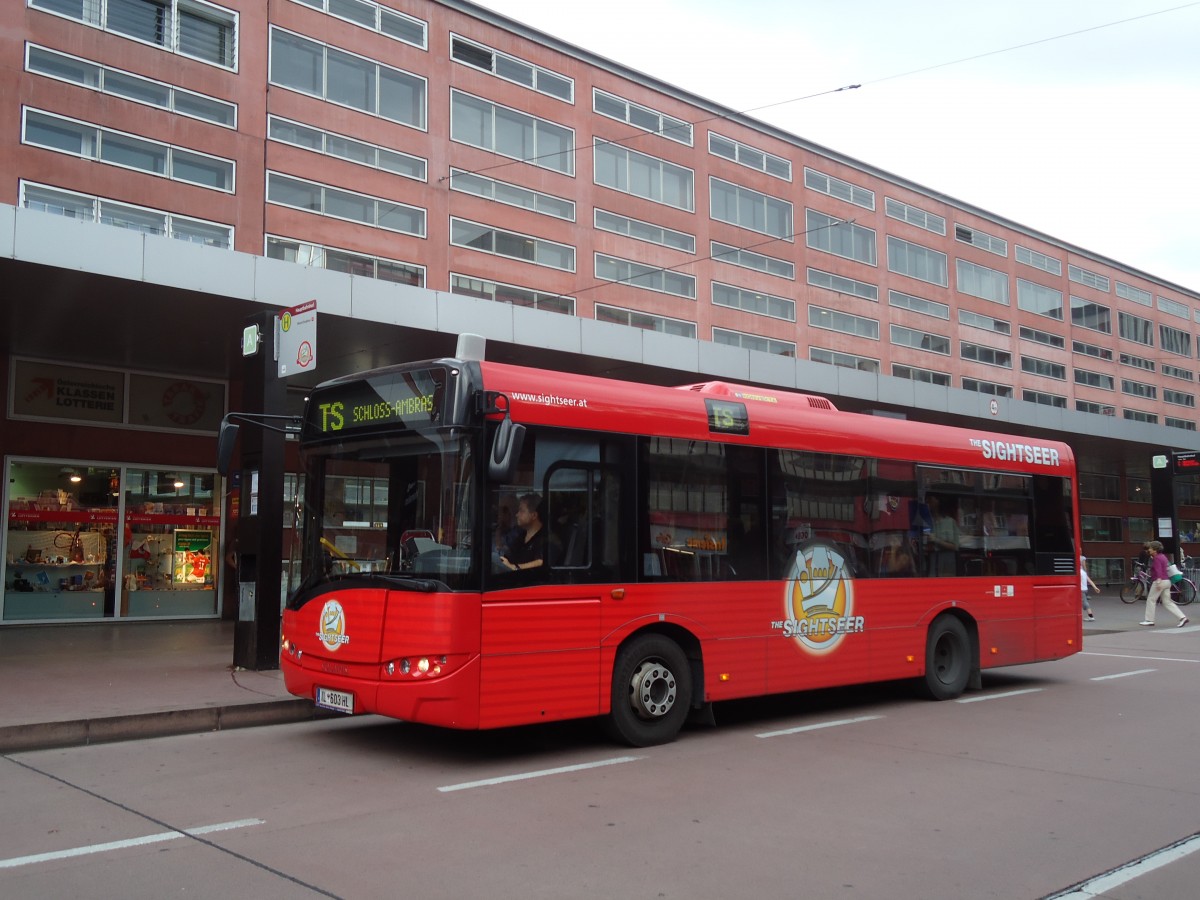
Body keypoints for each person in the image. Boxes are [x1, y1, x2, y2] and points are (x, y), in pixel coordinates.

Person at [499, 493, 553, 573]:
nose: (517, 515)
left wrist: (515, 568)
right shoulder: (521, 534)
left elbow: (541, 562)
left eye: (521, 511)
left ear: (534, 515)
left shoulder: (547, 538)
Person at [1140, 540, 1189, 628]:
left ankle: (1149, 620)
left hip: (1160, 581)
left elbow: (1159, 570)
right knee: (1167, 602)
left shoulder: (1157, 558)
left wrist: (1158, 581)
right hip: (1167, 581)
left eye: (1150, 548)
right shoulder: (1163, 556)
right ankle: (1182, 617)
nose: (1149, 550)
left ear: (1155, 549)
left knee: (1151, 600)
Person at [926, 494, 959, 576]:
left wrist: (936, 540)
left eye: (930, 499)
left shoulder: (950, 521)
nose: (927, 502)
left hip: (947, 562)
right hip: (933, 561)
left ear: (938, 501)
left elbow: (955, 546)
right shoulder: (928, 521)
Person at [1080, 554, 1099, 621]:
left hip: (1081, 590)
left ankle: (1091, 616)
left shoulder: (1078, 573)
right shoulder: (1084, 572)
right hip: (1085, 589)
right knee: (1083, 602)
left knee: (1085, 603)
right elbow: (1090, 581)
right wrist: (1095, 587)